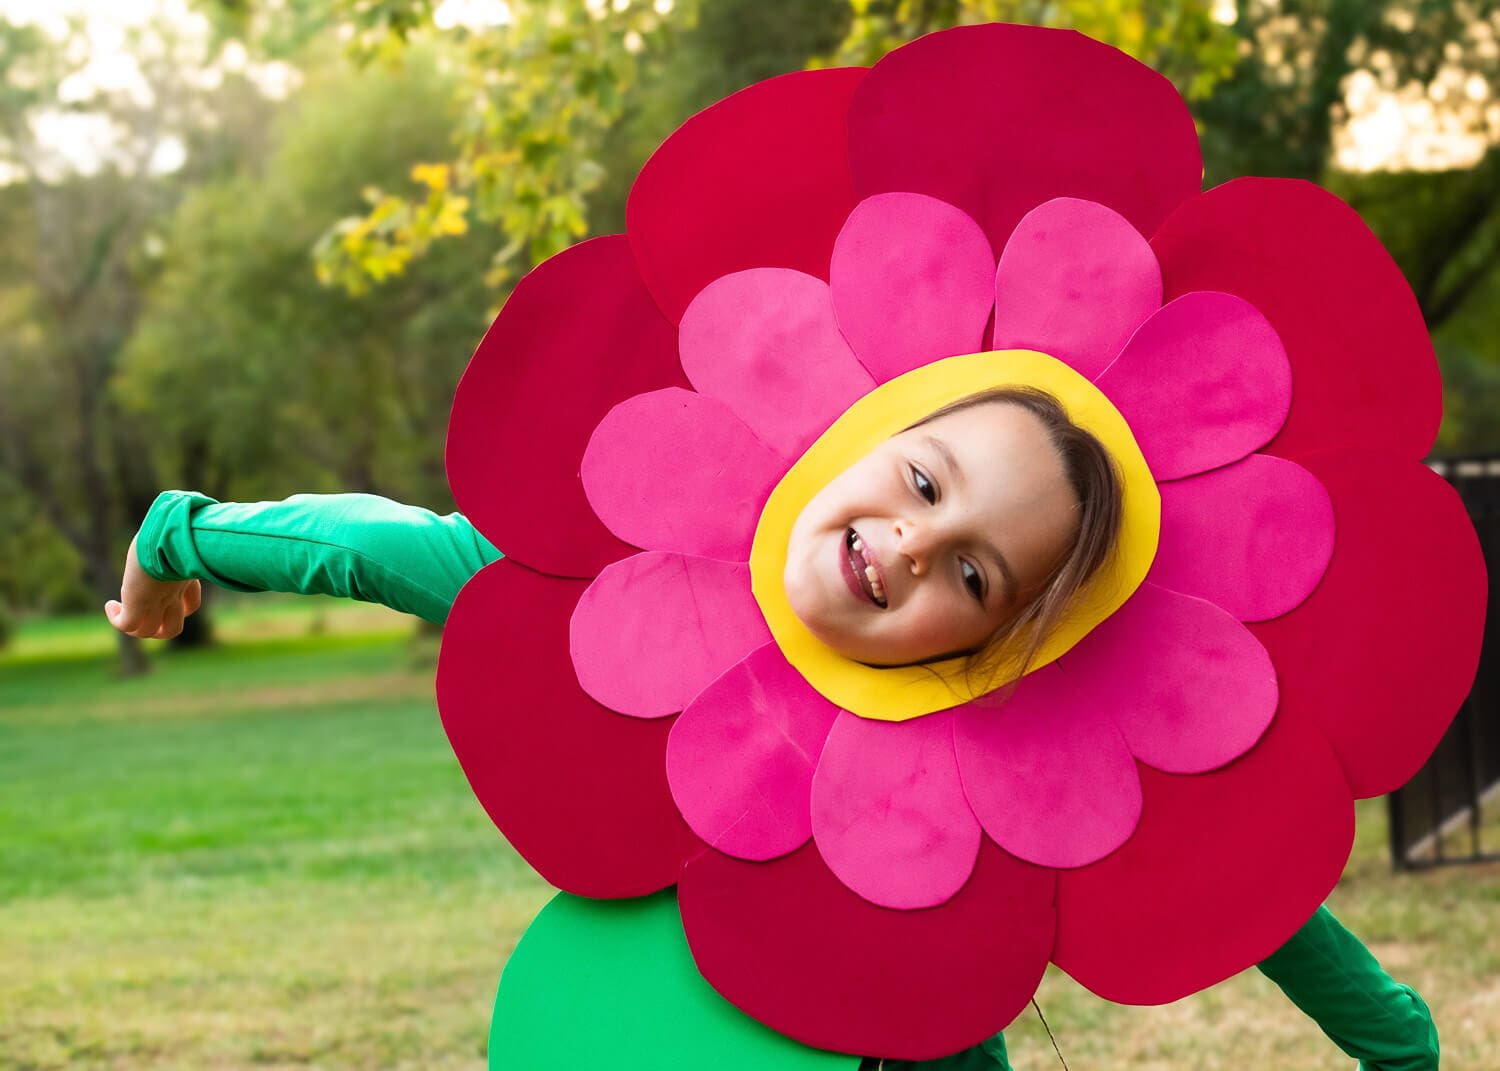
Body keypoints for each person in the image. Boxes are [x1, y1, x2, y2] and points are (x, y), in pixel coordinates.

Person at [104, 393, 1441, 1070]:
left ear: (991, 641)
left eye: (974, 572)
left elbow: (1231, 873)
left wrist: (1396, 1044)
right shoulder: (633, 598)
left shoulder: (999, 758)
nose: (912, 542)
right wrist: (181, 537)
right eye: (922, 481)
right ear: (863, 435)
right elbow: (379, 545)